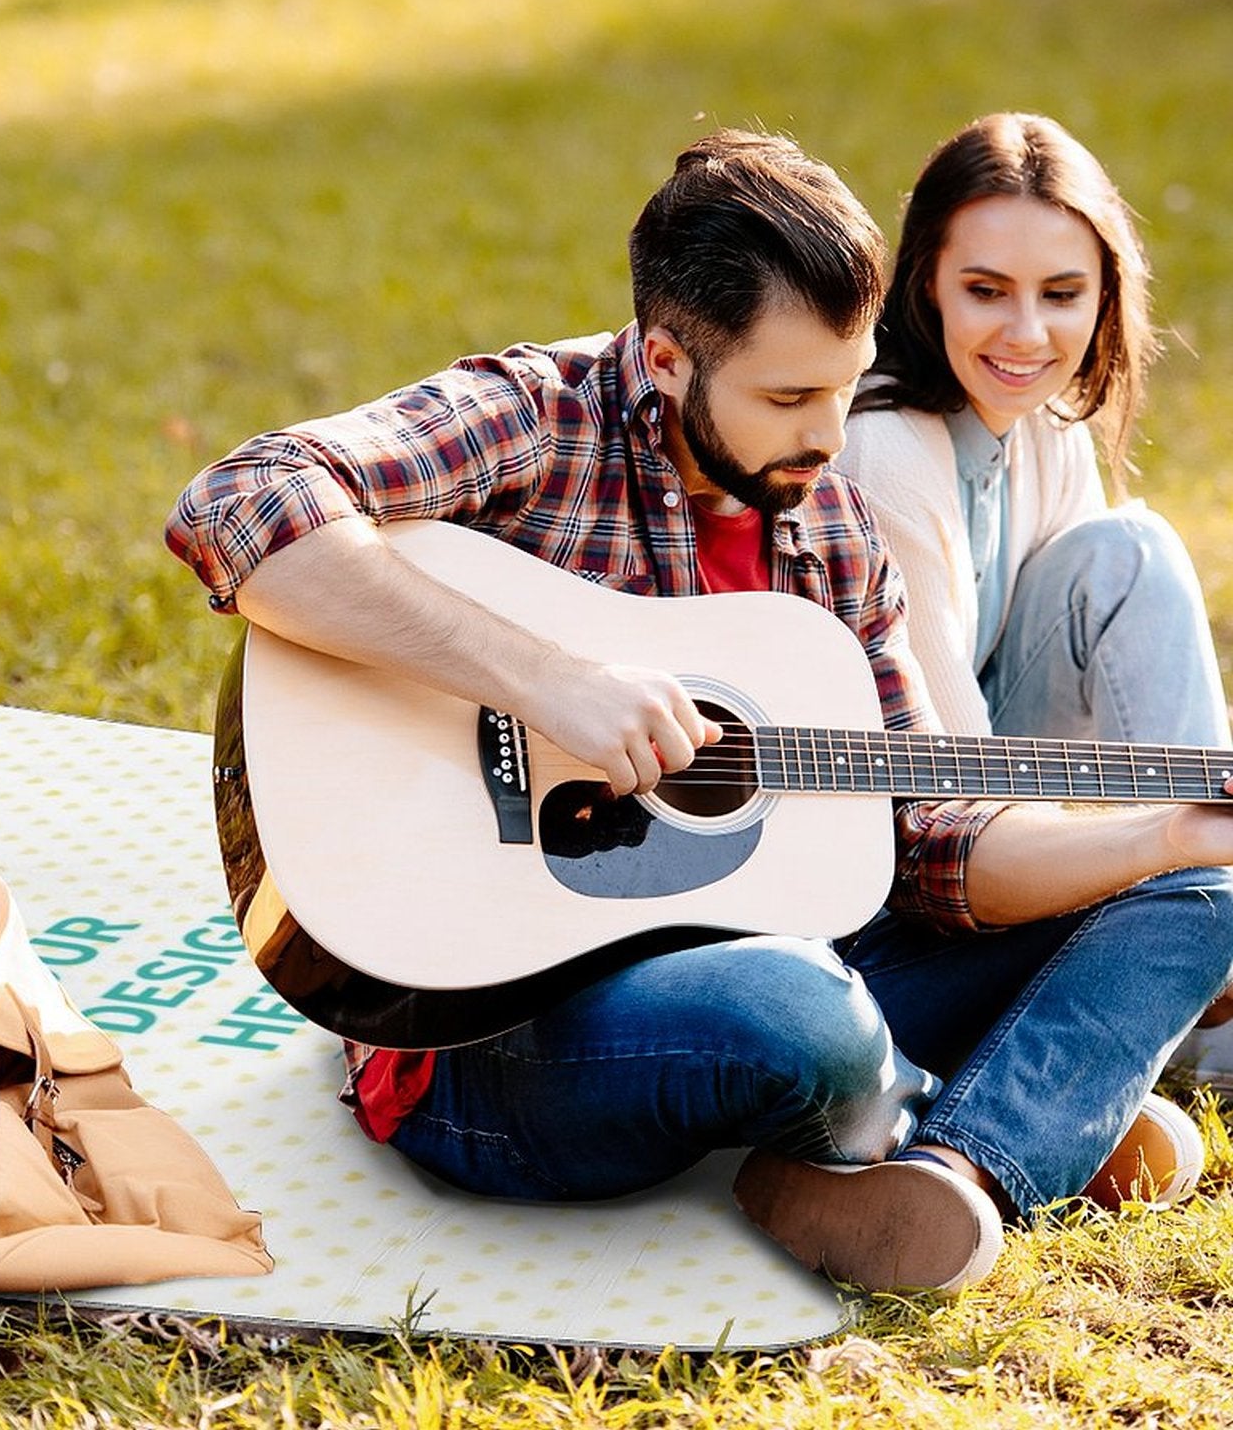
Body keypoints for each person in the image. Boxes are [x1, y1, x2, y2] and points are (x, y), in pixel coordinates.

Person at [165, 130, 1233, 1297]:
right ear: (667, 358)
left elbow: (930, 840)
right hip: (493, 1034)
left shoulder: (831, 529)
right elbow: (241, 500)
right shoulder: (536, 417)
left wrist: (1165, 833)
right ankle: (1014, 1107)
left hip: (796, 965)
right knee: (798, 1013)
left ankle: (954, 1167)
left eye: (846, 384)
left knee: (1199, 896)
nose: (829, 436)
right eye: (788, 396)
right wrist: (544, 680)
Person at [837, 111, 1233, 1087]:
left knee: (1125, 553)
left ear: (1104, 295)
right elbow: (953, 789)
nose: (1026, 334)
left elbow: (1105, 681)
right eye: (986, 291)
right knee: (1134, 551)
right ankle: (1197, 970)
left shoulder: (1045, 424)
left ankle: (1199, 943)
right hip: (908, 870)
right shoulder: (886, 449)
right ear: (925, 283)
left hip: (1001, 804)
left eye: (1061, 294)